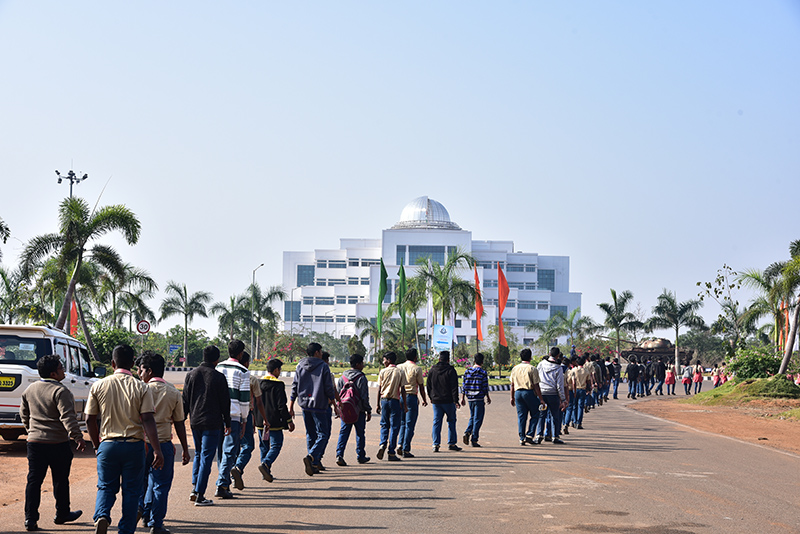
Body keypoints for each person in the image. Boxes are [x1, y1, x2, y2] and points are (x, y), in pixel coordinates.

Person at [86, 344, 164, 534]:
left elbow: (89, 419)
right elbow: (147, 419)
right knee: (131, 491)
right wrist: (156, 449)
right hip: (134, 445)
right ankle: (126, 530)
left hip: (108, 444)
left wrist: (97, 445)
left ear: (112, 363)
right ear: (132, 363)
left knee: (105, 486)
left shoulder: (99, 385)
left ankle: (102, 515)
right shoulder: (141, 387)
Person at [20, 354, 86, 532]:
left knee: (34, 481)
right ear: (53, 373)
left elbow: (24, 415)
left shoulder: (30, 390)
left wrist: (32, 431)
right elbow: (68, 417)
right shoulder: (61, 391)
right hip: (57, 443)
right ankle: (62, 513)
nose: (63, 370)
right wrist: (78, 437)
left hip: (34, 442)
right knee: (60, 480)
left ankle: (30, 519)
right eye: (61, 368)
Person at [137, 351, 190, 534]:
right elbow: (179, 423)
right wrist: (185, 448)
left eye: (141, 370)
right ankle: (155, 523)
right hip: (164, 443)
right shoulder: (174, 392)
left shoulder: (139, 390)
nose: (139, 373)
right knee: (161, 485)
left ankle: (141, 510)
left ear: (149, 371)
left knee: (140, 481)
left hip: (140, 442)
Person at [183, 345, 231, 507]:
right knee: (206, 458)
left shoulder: (191, 374)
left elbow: (185, 399)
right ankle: (200, 494)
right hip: (212, 422)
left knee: (198, 454)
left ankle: (194, 488)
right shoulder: (218, 377)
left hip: (195, 420)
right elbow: (225, 403)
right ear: (217, 359)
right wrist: (228, 423)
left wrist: (182, 419)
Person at [289, 342, 340, 475]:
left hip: (305, 404)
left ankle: (314, 463)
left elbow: (295, 385)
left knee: (311, 434)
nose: (322, 354)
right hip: (320, 405)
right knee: (323, 434)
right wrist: (335, 405)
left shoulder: (300, 365)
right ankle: (312, 457)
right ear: (317, 352)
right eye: (321, 351)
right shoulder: (323, 366)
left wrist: (291, 406)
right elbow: (329, 388)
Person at [214, 340, 250, 500]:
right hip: (234, 414)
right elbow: (244, 399)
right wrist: (244, 420)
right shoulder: (243, 370)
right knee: (230, 450)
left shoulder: (218, 367)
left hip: (216, 413)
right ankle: (222, 483)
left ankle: (225, 482)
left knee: (221, 450)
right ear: (241, 353)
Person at [231, 352, 268, 491]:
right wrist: (264, 419)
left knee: (233, 446)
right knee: (248, 446)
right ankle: (238, 468)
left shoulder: (228, 377)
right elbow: (259, 402)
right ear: (246, 363)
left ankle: (232, 478)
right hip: (246, 414)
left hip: (230, 415)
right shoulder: (252, 379)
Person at [254, 359, 295, 483]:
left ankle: (265, 470)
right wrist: (289, 421)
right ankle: (266, 464)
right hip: (274, 422)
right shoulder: (278, 385)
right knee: (276, 445)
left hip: (261, 421)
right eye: (279, 370)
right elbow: (281, 406)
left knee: (264, 446)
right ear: (276, 370)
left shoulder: (258, 382)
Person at [335, 353, 373, 465]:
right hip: (359, 410)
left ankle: (339, 454)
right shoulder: (361, 377)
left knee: (344, 432)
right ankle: (361, 455)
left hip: (345, 409)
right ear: (358, 364)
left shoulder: (343, 377)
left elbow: (338, 394)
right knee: (360, 433)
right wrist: (368, 410)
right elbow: (364, 396)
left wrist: (338, 408)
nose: (363, 365)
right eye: (362, 363)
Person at [427, 351, 462, 452]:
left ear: (439, 359)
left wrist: (431, 397)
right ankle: (451, 443)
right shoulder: (451, 370)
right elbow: (454, 387)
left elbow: (428, 385)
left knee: (437, 422)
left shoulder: (432, 370)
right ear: (448, 360)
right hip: (448, 401)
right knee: (451, 421)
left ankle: (435, 444)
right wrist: (456, 400)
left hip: (436, 401)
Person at [509, 348, 546, 445]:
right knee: (535, 414)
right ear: (530, 357)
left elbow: (512, 384)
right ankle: (529, 434)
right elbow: (536, 385)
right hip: (528, 392)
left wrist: (512, 397)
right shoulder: (532, 369)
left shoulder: (515, 368)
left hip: (518, 393)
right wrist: (541, 399)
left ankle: (521, 437)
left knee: (521, 416)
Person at [375, 351, 408, 461]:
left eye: (384, 359)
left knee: (384, 424)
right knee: (395, 426)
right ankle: (391, 451)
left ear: (388, 360)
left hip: (384, 400)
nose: (383, 361)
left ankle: (382, 443)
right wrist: (405, 405)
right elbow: (402, 389)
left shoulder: (383, 372)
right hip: (395, 401)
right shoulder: (400, 372)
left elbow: (379, 389)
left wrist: (377, 404)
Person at [396, 348, 428, 458]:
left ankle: (400, 443)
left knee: (402, 423)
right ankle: (406, 448)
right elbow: (421, 385)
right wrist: (424, 399)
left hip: (399, 395)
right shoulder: (417, 368)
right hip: (411, 396)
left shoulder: (399, 367)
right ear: (415, 357)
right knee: (410, 424)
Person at [535, 348, 567, 444]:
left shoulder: (541, 364)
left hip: (542, 393)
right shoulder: (558, 368)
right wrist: (563, 398)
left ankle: (539, 435)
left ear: (549, 354)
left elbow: (536, 378)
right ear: (557, 356)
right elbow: (560, 385)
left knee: (541, 415)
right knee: (554, 415)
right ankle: (555, 436)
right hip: (553, 395)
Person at [461, 352, 491, 447]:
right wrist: (488, 397)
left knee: (472, 416)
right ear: (482, 362)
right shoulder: (482, 373)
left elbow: (464, 386)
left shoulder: (467, 371)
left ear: (474, 361)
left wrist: (462, 398)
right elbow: (484, 386)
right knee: (478, 418)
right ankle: (474, 438)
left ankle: (468, 432)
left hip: (469, 398)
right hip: (479, 398)